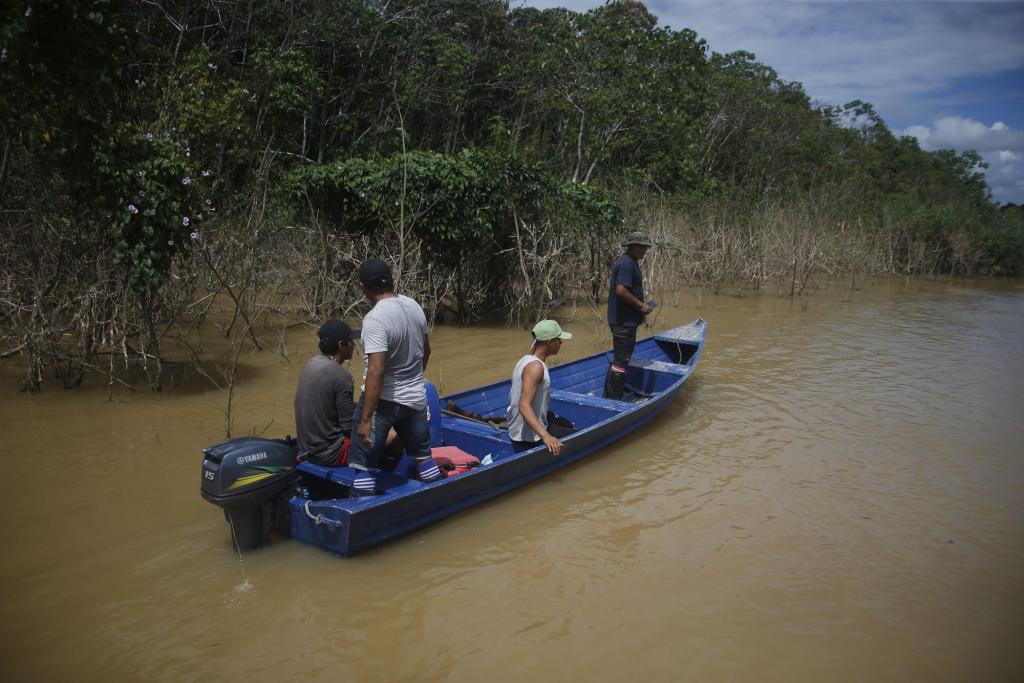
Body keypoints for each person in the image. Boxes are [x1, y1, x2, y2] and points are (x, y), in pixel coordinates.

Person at [348, 258, 442, 494]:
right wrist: (412, 380)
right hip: (414, 400)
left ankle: (361, 512)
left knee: (364, 466)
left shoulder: (375, 318)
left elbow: (376, 370)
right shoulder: (414, 306)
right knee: (423, 458)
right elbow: (427, 350)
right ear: (391, 281)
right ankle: (439, 496)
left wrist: (366, 418)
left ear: (363, 287)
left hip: (384, 403)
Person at [294, 320, 360, 467]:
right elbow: (348, 428)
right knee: (389, 435)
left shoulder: (311, 364)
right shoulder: (343, 377)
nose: (354, 345)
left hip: (307, 448)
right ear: (341, 345)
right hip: (331, 455)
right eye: (350, 342)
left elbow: (329, 403)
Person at [507, 319, 572, 455]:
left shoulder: (526, 359)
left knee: (566, 424)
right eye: (558, 339)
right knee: (576, 434)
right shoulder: (535, 368)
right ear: (549, 342)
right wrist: (546, 436)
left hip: (517, 427)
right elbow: (523, 405)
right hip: (527, 437)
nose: (561, 343)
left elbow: (536, 343)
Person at [604, 231, 654, 400]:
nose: (643, 251)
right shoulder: (626, 264)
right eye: (640, 247)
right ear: (631, 247)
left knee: (622, 359)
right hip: (623, 322)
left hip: (627, 321)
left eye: (645, 248)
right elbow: (621, 290)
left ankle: (613, 393)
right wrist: (641, 306)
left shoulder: (630, 262)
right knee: (621, 362)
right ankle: (613, 400)